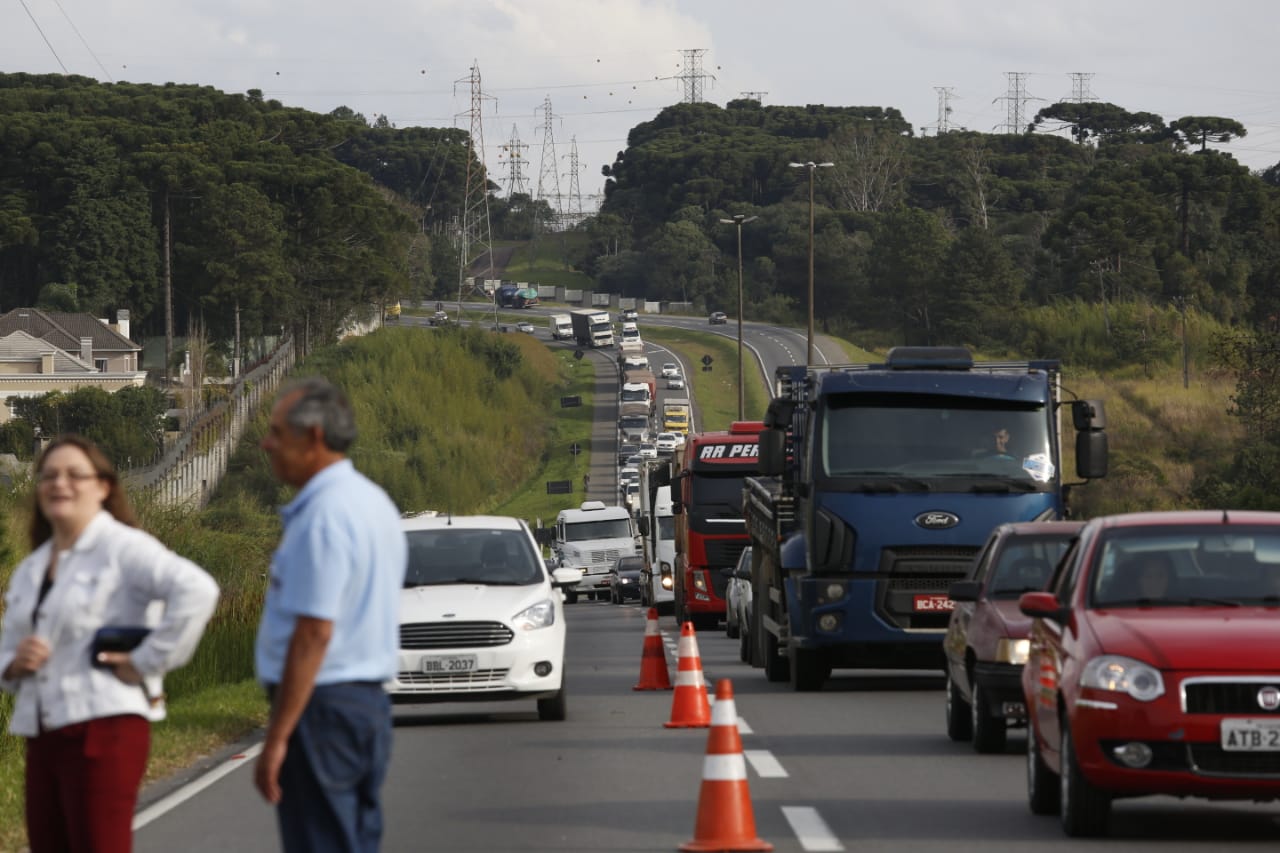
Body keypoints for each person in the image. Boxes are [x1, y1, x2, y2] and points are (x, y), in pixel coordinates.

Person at [0, 434, 219, 853]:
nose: (59, 483)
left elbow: (197, 591)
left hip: (104, 727)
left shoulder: (122, 547)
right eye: (49, 475)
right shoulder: (32, 568)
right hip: (42, 731)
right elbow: (7, 650)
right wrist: (14, 664)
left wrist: (145, 660)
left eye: (74, 474)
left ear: (103, 487)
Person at [254, 377, 407, 853]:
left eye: (278, 432)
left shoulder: (323, 516)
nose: (267, 444)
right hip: (363, 704)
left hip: (322, 708)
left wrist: (278, 736)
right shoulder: (373, 501)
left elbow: (314, 633)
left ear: (314, 437)